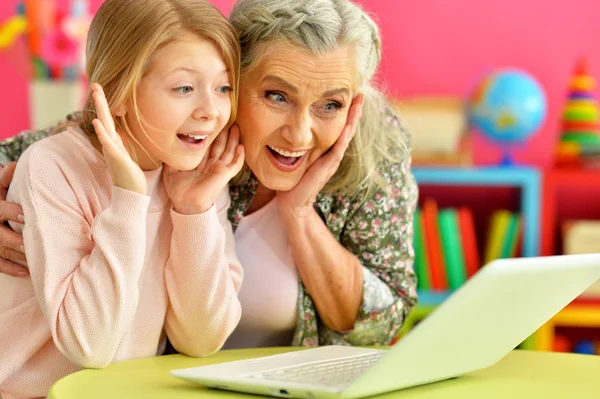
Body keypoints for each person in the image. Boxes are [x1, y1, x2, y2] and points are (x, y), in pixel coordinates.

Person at [0, 0, 418, 350]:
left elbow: (382, 327)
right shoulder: (173, 138)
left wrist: (301, 214)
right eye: (276, 96)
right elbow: (71, 144)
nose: (301, 133)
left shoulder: (371, 149)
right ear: (234, 74)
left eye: (330, 104)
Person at [0, 0, 245, 398]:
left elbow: (201, 339)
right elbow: (89, 346)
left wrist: (194, 210)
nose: (211, 111)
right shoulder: (53, 167)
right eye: (184, 87)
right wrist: (129, 198)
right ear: (117, 92)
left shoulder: (198, 176)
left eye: (223, 88)